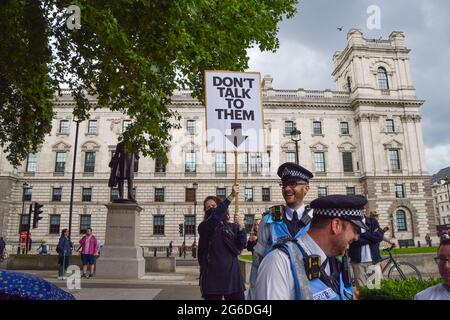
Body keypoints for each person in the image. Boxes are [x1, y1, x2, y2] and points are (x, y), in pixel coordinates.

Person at [254, 195, 368, 300]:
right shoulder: (279, 263)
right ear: (336, 225)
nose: (357, 237)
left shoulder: (335, 264)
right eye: (355, 230)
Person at [248, 162, 314, 299]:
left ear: (306, 188)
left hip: (311, 290)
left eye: (293, 184)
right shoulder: (269, 220)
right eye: (284, 185)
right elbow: (257, 262)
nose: (287, 189)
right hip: (276, 290)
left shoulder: (316, 221)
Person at [197, 184, 247, 300]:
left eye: (214, 205)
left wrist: (241, 226)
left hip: (232, 277)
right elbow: (215, 217)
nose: (212, 208)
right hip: (212, 280)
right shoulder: (204, 227)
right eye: (208, 207)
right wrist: (231, 196)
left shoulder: (230, 227)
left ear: (220, 207)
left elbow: (241, 245)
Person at [348, 210, 386, 288]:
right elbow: (352, 241)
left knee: (376, 289)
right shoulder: (351, 223)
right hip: (358, 262)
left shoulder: (373, 222)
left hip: (373, 261)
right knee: (361, 290)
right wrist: (371, 237)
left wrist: (361, 235)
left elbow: (379, 237)